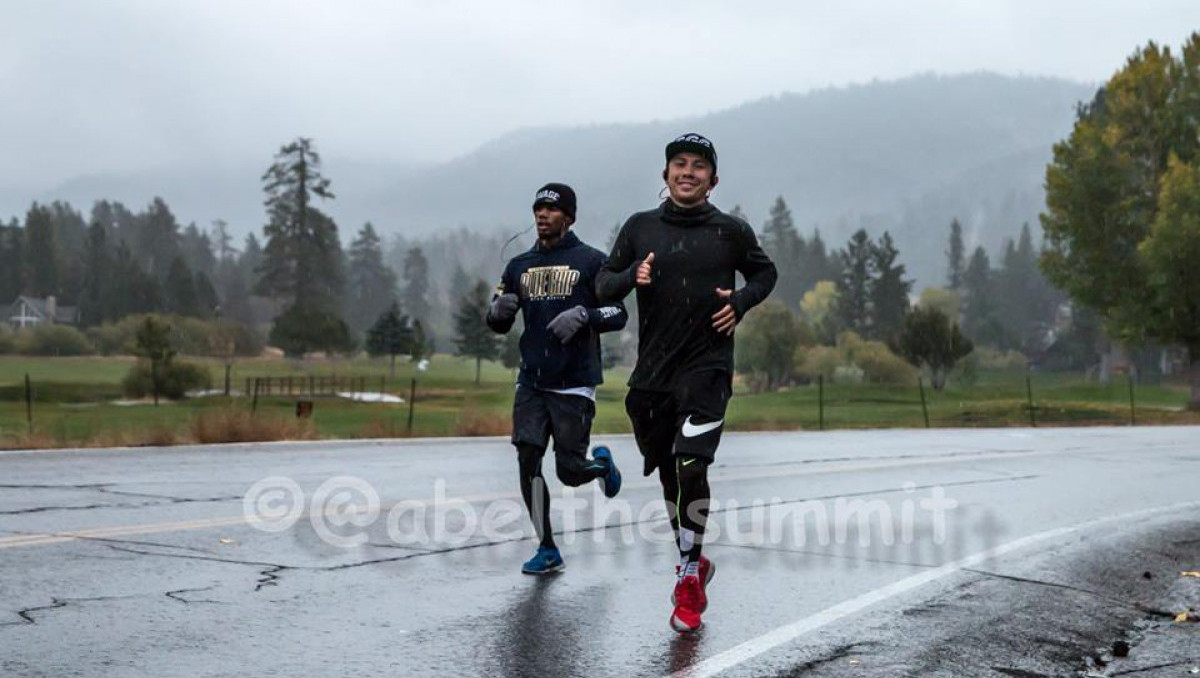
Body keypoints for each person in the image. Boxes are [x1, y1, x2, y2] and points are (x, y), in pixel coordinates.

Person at [596, 134, 777, 632]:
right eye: (680, 164)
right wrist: (633, 274)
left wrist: (739, 303)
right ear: (666, 174)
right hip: (653, 376)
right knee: (670, 478)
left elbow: (766, 274)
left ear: (713, 179)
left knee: (692, 464)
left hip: (708, 368)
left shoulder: (731, 231)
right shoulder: (640, 227)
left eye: (699, 166)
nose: (688, 172)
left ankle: (689, 575)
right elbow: (604, 284)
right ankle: (693, 556)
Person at [487, 182, 628, 575]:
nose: (542, 215)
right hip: (531, 380)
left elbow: (618, 313)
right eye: (537, 209)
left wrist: (585, 314)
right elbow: (497, 321)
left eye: (550, 210)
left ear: (569, 216)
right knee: (527, 458)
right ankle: (547, 547)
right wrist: (497, 312)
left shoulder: (592, 262)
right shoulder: (518, 266)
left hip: (574, 383)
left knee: (570, 470)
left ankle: (600, 466)